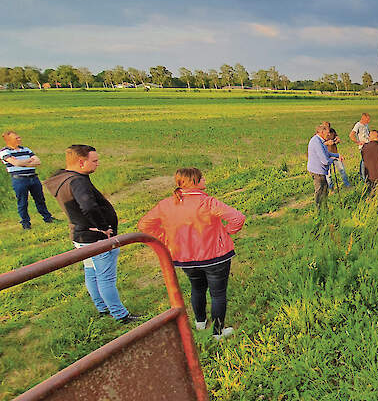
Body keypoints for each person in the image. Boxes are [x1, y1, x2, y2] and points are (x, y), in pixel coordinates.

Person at [138, 168, 245, 340]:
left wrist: (165, 239)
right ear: (195, 181)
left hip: (185, 258)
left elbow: (144, 225)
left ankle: (200, 322)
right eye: (202, 178)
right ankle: (218, 331)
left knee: (197, 288)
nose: (205, 180)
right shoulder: (208, 202)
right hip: (215, 257)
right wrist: (226, 233)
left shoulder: (167, 204)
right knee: (218, 294)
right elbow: (237, 218)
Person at [44, 145, 139, 323]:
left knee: (91, 272)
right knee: (105, 277)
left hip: (80, 235)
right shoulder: (78, 181)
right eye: (94, 161)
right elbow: (88, 206)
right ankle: (120, 314)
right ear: (81, 162)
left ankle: (102, 307)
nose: (98, 164)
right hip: (96, 238)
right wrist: (103, 226)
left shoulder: (62, 178)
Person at [2, 131, 55, 229]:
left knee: (40, 199)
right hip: (19, 180)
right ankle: (25, 223)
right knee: (22, 202)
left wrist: (22, 162)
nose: (19, 139)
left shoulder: (26, 149)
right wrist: (29, 161)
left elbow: (38, 161)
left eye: (19, 137)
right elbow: (16, 163)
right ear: (9, 140)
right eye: (16, 138)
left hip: (33, 178)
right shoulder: (5, 152)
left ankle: (48, 218)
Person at [307, 122, 343, 207]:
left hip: (320, 170)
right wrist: (334, 159)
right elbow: (325, 161)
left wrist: (337, 155)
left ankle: (324, 207)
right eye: (327, 133)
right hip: (317, 171)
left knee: (325, 190)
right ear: (322, 132)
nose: (329, 134)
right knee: (320, 191)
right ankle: (319, 211)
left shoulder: (320, 140)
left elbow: (326, 153)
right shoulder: (317, 143)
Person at [348, 113, 371, 179]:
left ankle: (366, 174)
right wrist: (358, 142)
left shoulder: (366, 125)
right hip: (363, 146)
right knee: (364, 161)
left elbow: (367, 134)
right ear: (363, 119)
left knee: (366, 160)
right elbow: (351, 135)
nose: (368, 121)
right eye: (367, 119)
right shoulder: (358, 125)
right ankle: (363, 177)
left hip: (368, 145)